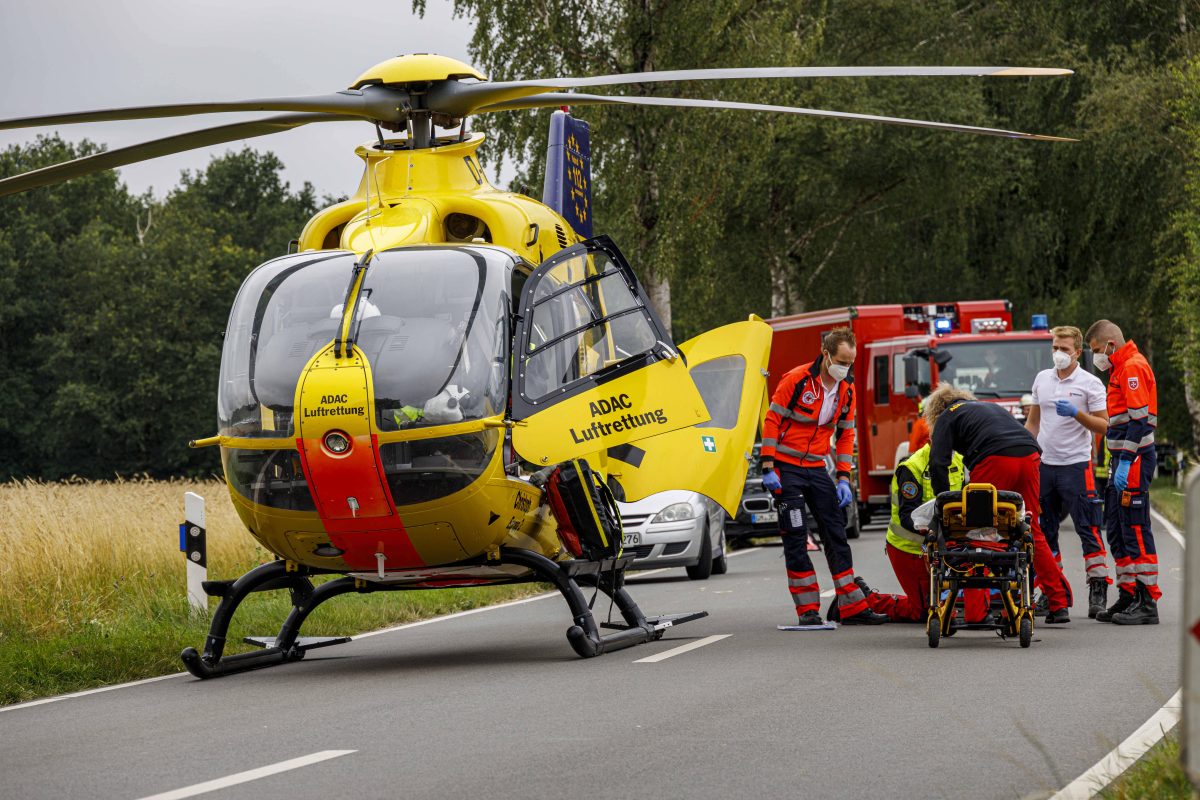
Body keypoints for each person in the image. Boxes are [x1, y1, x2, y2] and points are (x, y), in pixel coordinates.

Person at [762, 327, 887, 625]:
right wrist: (768, 466)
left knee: (836, 534)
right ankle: (807, 610)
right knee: (795, 537)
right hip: (786, 468)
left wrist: (844, 478)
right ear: (826, 354)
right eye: (841, 361)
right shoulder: (797, 380)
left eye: (850, 363)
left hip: (817, 467)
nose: (845, 368)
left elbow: (845, 435)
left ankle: (853, 607)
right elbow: (772, 420)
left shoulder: (847, 390)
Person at [926, 385, 1074, 623]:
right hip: (1029, 455)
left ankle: (977, 613)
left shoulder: (947, 415)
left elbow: (937, 463)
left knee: (978, 532)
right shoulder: (987, 409)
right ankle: (1058, 602)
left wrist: (943, 505)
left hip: (994, 458)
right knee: (1029, 529)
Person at [1024, 325, 1111, 617]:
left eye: (1063, 349)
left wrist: (1077, 414)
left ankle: (1098, 587)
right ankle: (1052, 589)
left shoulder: (1090, 383)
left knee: (1087, 527)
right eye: (1054, 348)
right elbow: (1033, 423)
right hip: (1045, 465)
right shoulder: (1042, 380)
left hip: (1076, 465)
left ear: (1077, 351)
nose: (1058, 353)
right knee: (1045, 530)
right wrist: (1024, 449)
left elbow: (1103, 425)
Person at [1085, 319, 1160, 625]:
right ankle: (1129, 593)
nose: (1096, 357)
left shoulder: (1131, 367)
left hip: (1136, 458)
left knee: (1135, 528)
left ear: (1110, 344)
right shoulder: (1120, 367)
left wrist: (1127, 459)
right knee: (1116, 528)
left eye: (1096, 350)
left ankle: (1147, 599)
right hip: (1122, 460)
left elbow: (1141, 420)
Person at [865, 443, 989, 623]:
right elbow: (907, 516)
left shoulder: (959, 460)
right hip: (910, 548)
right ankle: (865, 601)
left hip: (943, 545)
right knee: (924, 612)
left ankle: (966, 609)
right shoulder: (912, 467)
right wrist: (933, 532)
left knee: (973, 564)